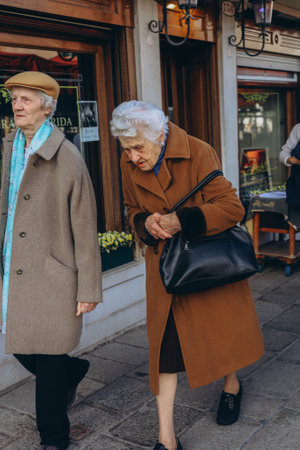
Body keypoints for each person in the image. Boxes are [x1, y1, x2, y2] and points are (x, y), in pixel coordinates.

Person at [110, 101, 264, 450]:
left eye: (138, 148)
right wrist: (144, 223)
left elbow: (231, 207)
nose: (133, 157)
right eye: (127, 149)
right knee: (163, 351)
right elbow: (132, 208)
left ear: (160, 136)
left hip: (205, 264)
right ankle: (166, 439)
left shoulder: (198, 151)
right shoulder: (128, 160)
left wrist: (184, 220)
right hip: (166, 270)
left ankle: (231, 385)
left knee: (219, 335)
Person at [0, 71, 102, 450]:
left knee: (48, 357)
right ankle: (74, 371)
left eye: (27, 98)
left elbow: (85, 224)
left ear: (47, 106)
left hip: (53, 271)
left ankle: (54, 438)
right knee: (25, 345)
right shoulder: (11, 145)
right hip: (15, 266)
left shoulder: (67, 156)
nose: (18, 105)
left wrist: (88, 286)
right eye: (15, 98)